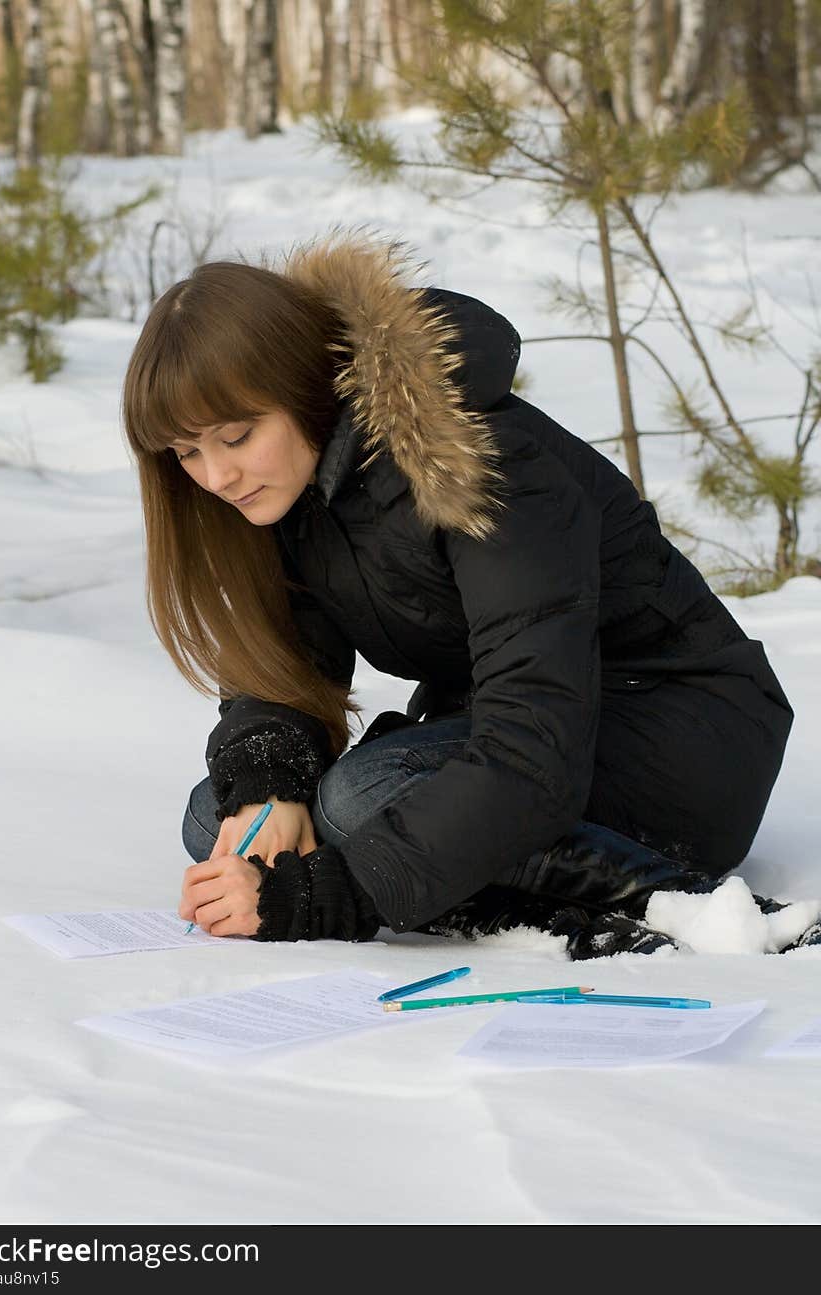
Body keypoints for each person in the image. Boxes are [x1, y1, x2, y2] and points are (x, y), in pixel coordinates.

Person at [121, 228, 813, 959]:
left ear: (303, 387)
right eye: (187, 452)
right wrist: (269, 786)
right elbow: (284, 675)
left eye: (235, 436)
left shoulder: (476, 462)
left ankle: (668, 901)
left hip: (681, 735)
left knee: (357, 800)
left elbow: (531, 749)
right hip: (531, 726)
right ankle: (493, 899)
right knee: (222, 820)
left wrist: (328, 896)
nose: (216, 477)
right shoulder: (287, 488)